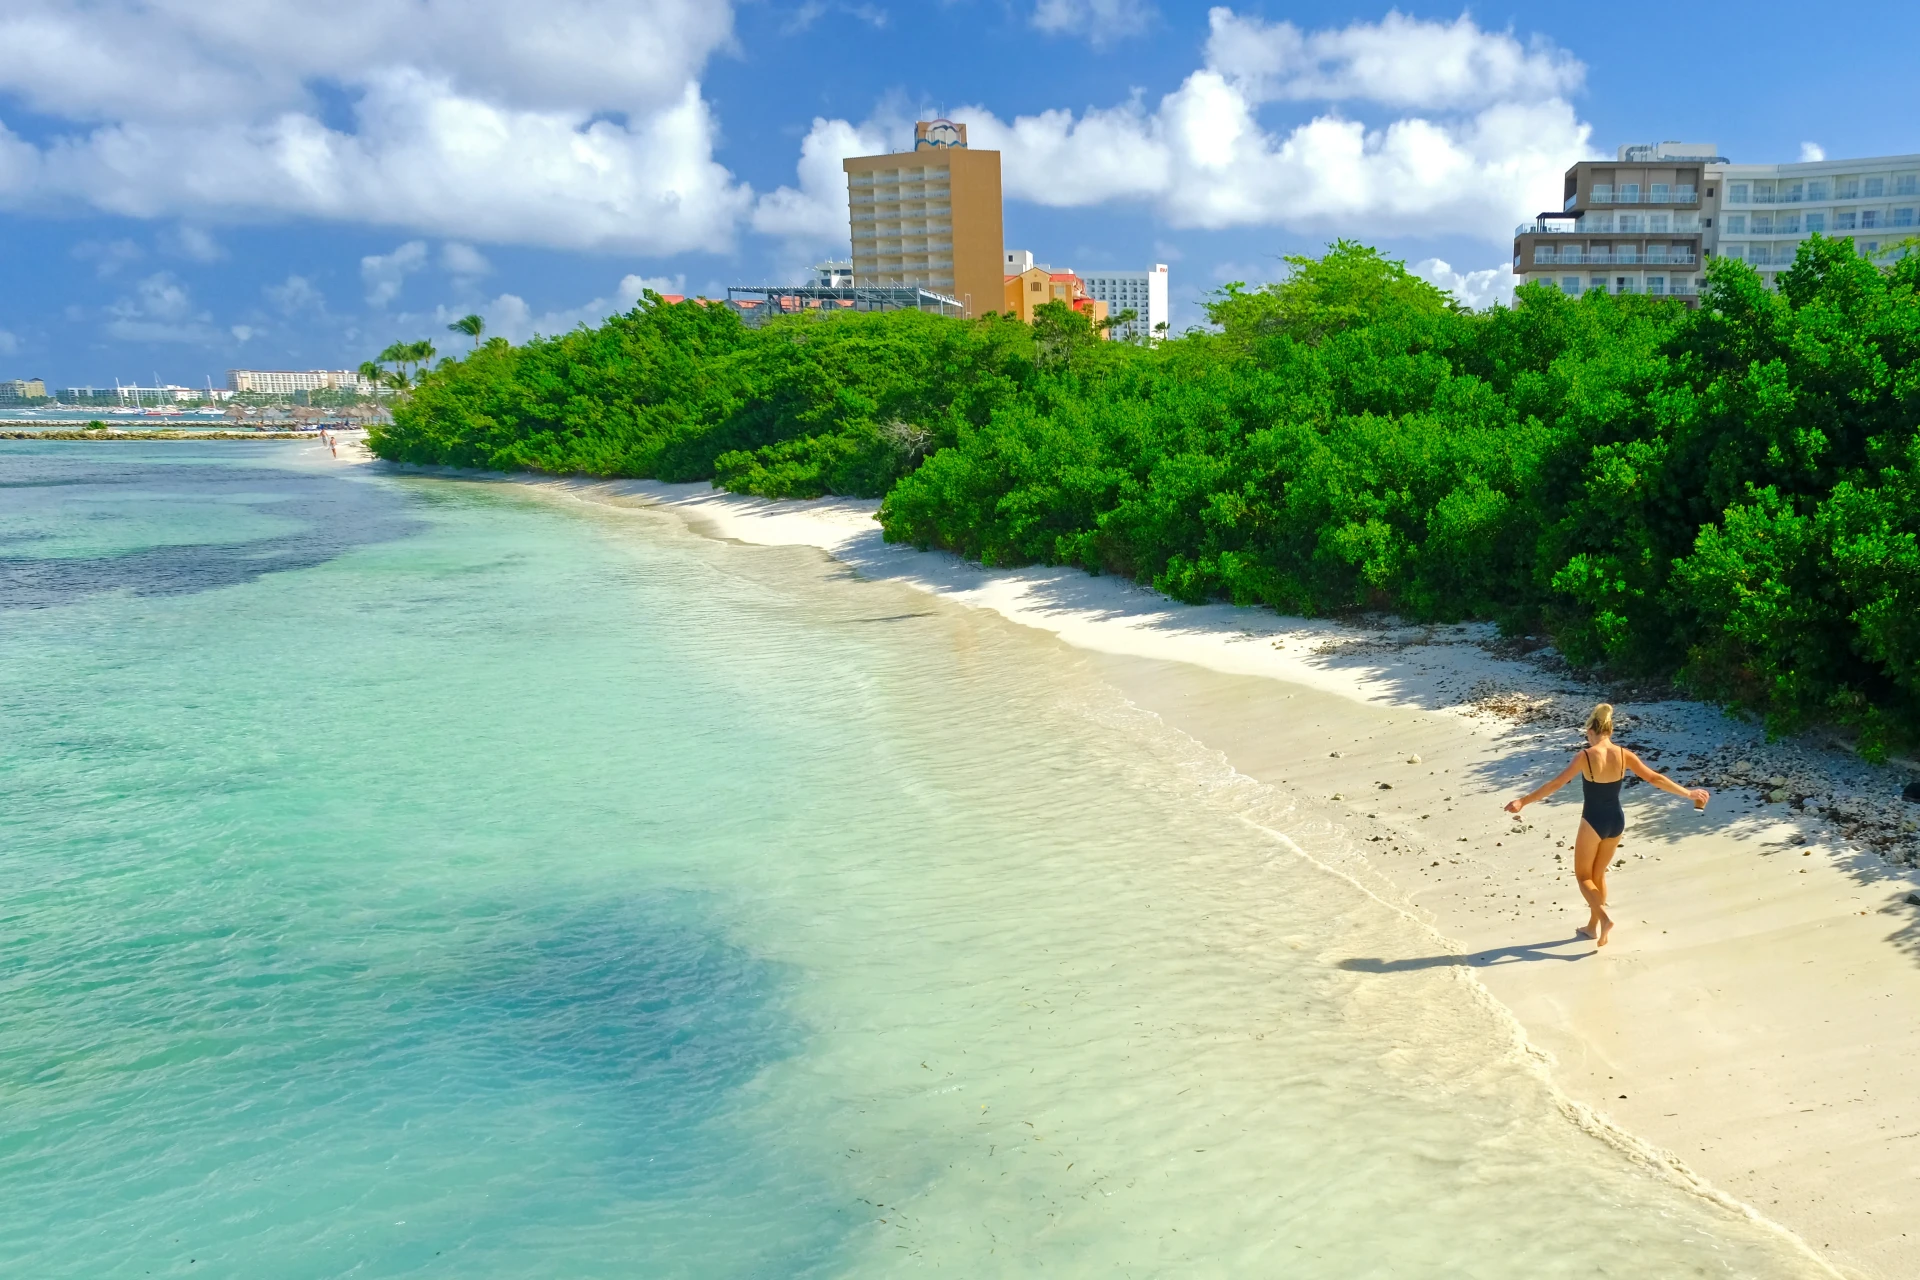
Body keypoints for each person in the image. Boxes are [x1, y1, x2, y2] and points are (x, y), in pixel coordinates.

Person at [1503, 703, 1708, 947]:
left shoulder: (1585, 756)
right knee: (1598, 875)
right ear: (1610, 731)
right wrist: (1688, 793)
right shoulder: (1624, 754)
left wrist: (1523, 801)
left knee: (1582, 877)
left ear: (1591, 730)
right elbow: (1655, 778)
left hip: (1593, 821)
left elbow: (1555, 784)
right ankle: (1592, 927)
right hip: (1616, 821)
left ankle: (1604, 918)